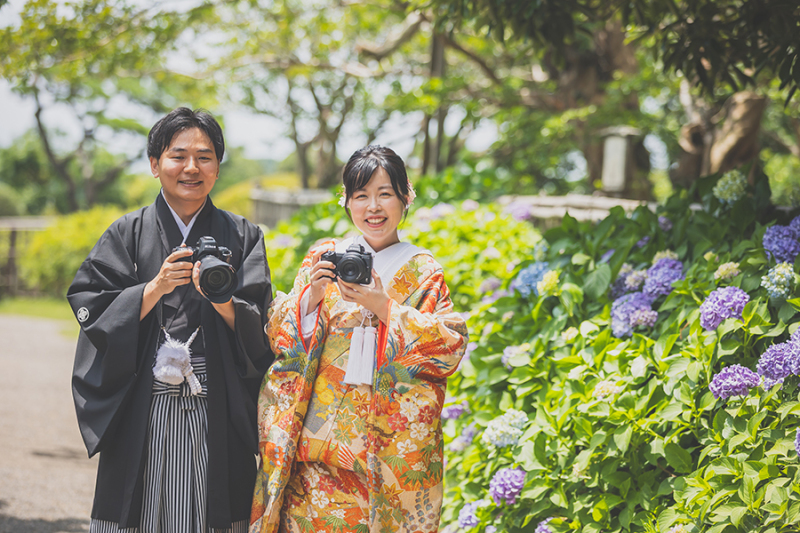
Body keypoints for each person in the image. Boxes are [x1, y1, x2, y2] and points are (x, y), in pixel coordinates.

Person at [67, 107, 274, 533]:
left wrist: (221, 301)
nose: (191, 167)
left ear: (218, 167)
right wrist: (153, 288)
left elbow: (263, 326)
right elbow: (89, 301)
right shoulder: (127, 232)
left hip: (215, 406)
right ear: (154, 163)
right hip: (144, 406)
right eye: (178, 155)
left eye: (205, 156)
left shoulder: (244, 235)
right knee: (137, 513)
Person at [249, 145, 468, 533]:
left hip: (380, 455)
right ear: (346, 201)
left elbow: (449, 347)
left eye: (385, 193)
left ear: (406, 196)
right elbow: (279, 336)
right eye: (361, 196)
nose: (374, 207)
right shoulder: (326, 255)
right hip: (313, 451)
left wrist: (387, 309)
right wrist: (310, 300)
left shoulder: (423, 271)